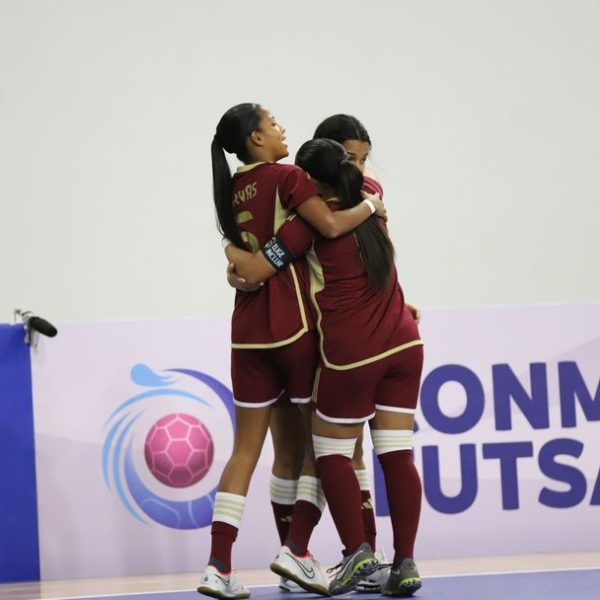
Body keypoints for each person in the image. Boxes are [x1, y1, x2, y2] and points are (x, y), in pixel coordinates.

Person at [197, 103, 386, 600]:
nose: (282, 128)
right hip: (296, 330)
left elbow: (245, 260)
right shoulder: (290, 178)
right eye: (274, 122)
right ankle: (303, 550)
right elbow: (325, 226)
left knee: (247, 452)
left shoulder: (231, 187)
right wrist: (374, 203)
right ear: (257, 139)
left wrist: (240, 261)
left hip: (247, 333)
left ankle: (218, 566)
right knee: (325, 450)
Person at [227, 115, 421, 593]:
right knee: (395, 453)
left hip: (346, 350)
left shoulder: (305, 223)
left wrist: (235, 260)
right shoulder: (372, 192)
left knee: (327, 450)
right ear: (346, 163)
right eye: (352, 157)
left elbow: (257, 269)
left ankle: (349, 552)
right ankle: (403, 563)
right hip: (404, 339)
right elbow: (379, 252)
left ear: (306, 178)